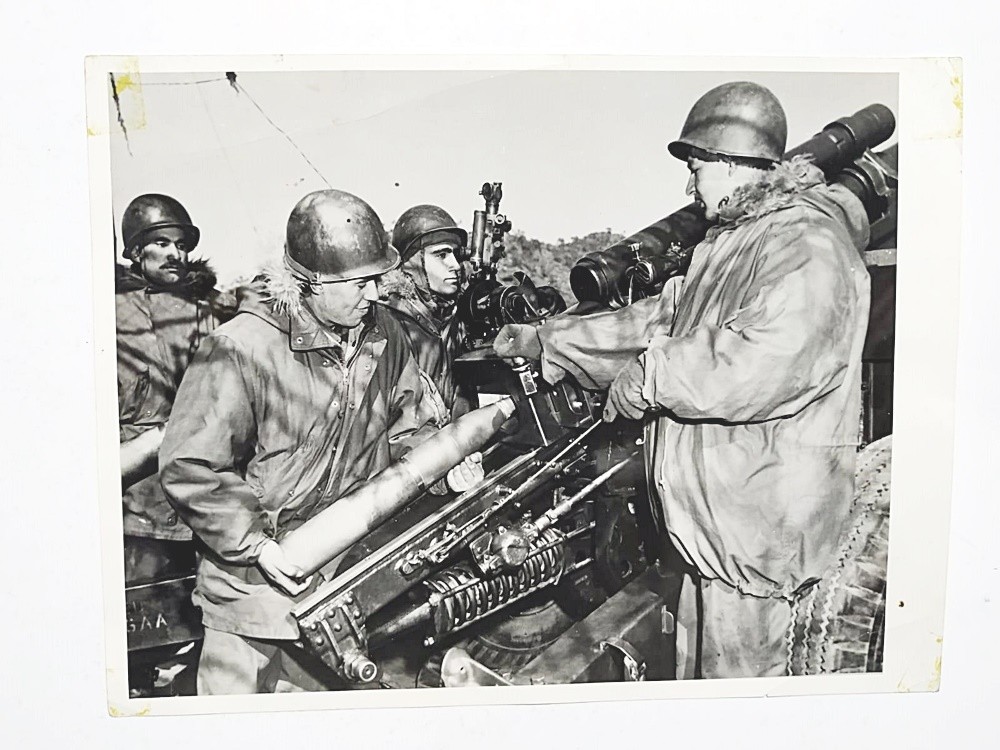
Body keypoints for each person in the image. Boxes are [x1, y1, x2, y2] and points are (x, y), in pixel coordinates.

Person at [495, 82, 872, 679]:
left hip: (757, 549)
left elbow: (764, 361)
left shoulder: (807, 245)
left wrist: (651, 376)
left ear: (728, 164)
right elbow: (659, 319)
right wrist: (551, 340)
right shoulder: (730, 245)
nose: (690, 185)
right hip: (712, 542)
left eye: (696, 167)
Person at [159, 189, 483, 694]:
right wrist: (256, 545)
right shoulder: (241, 348)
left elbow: (409, 426)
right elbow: (192, 466)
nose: (375, 294)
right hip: (252, 592)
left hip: (344, 583)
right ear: (309, 282)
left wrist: (444, 466)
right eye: (361, 282)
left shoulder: (383, 336)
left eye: (379, 279)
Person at [116, 193, 234, 584]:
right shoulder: (108, 312)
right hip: (135, 508)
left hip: (200, 498)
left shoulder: (210, 309)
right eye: (162, 243)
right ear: (135, 251)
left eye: (181, 245)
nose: (175, 254)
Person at [381, 204, 476, 426]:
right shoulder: (390, 322)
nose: (455, 265)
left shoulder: (454, 316)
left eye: (455, 254)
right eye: (441, 255)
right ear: (413, 262)